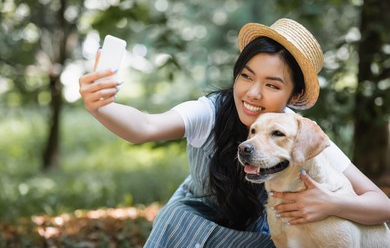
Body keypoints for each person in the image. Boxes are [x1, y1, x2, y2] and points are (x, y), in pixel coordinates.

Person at [79, 18, 390, 248]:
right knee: (179, 219)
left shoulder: (299, 133)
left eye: (272, 85)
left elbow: (382, 204)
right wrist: (100, 107)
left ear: (294, 97)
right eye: (246, 76)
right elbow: (144, 127)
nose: (253, 93)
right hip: (193, 227)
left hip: (258, 236)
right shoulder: (212, 110)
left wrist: (332, 204)